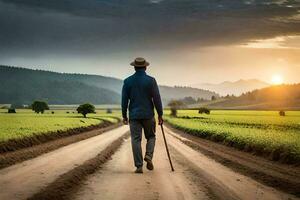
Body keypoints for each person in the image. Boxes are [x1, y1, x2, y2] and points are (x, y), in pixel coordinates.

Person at [122, 57, 163, 174]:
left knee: (135, 139)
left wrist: (124, 115)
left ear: (134, 67)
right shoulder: (151, 81)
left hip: (134, 115)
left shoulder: (127, 81)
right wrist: (160, 114)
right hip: (148, 114)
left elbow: (124, 100)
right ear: (145, 67)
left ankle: (139, 166)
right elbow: (157, 99)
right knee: (151, 136)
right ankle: (149, 155)